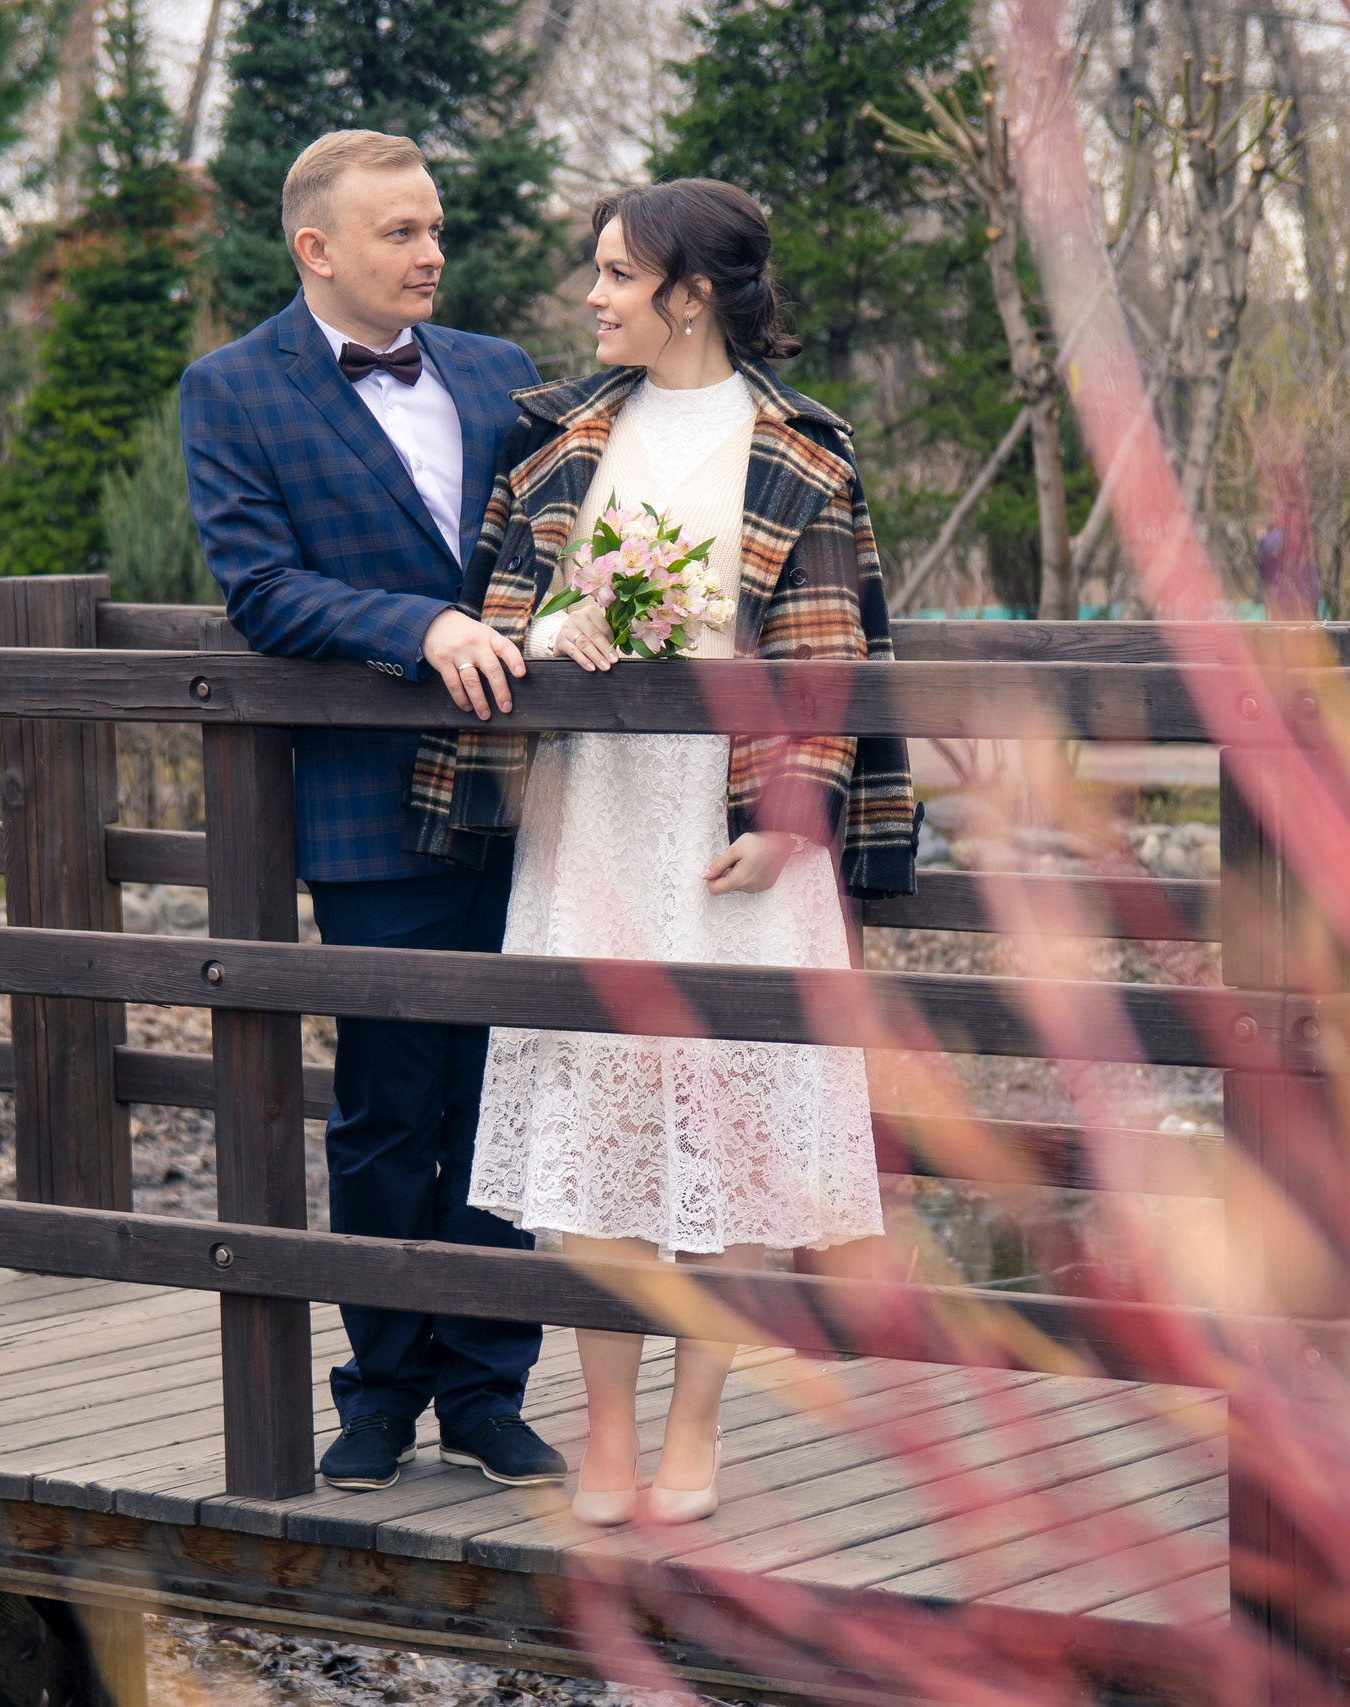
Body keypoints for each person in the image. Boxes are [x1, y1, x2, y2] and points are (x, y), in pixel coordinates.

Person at [404, 178, 918, 1525]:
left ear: (689, 295)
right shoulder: (556, 433)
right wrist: (548, 630)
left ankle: (697, 1428)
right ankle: (608, 1434)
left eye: (618, 276)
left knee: (733, 1125)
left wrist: (785, 817)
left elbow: (828, 652)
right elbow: (499, 607)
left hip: (729, 828)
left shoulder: (801, 448)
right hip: (592, 817)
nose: (592, 297)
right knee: (600, 1117)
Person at [179, 131, 564, 1494]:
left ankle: (489, 1393)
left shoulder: (501, 371)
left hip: (521, 789)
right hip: (367, 806)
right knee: (391, 1105)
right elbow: (262, 589)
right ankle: (383, 1391)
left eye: (435, 227)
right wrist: (424, 627)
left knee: (506, 1088)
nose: (431, 252)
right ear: (317, 248)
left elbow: (554, 545)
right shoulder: (233, 390)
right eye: (401, 231)